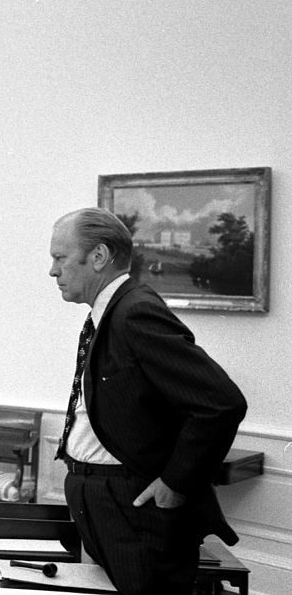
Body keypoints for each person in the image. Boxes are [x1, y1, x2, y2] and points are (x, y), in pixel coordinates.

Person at [48, 208, 247, 595]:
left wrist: (175, 483)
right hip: (103, 501)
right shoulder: (108, 312)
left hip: (131, 510)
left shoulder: (135, 311)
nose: (52, 271)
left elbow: (221, 403)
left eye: (60, 257)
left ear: (99, 257)